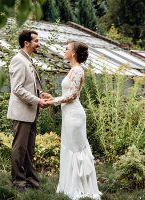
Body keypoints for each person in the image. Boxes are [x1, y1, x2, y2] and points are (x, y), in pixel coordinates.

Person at [45, 41, 102, 200]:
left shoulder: (78, 71)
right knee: (68, 148)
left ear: (74, 54)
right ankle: (68, 186)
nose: (64, 51)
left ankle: (81, 188)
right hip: (68, 114)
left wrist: (53, 101)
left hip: (75, 115)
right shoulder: (72, 70)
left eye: (67, 49)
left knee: (76, 149)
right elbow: (67, 93)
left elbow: (73, 96)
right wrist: (52, 98)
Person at [7, 30, 51, 191]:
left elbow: (28, 85)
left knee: (29, 148)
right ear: (27, 43)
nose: (38, 44)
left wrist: (40, 94)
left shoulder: (28, 60)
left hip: (30, 112)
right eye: (36, 41)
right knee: (19, 148)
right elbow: (17, 89)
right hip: (22, 112)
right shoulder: (18, 60)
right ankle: (18, 182)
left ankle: (31, 180)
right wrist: (38, 100)